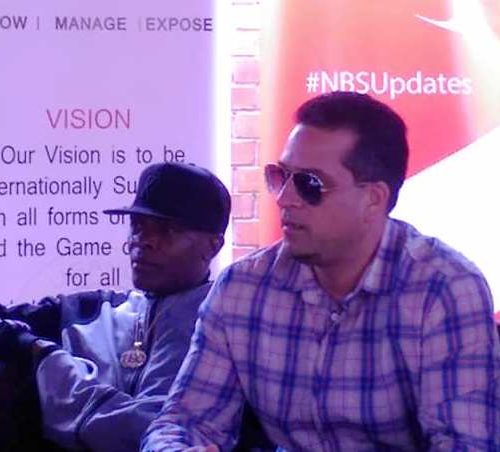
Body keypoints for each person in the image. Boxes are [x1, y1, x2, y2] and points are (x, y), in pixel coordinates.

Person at [142, 92, 500, 451]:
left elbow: (465, 443)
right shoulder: (243, 288)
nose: (284, 198)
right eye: (280, 176)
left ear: (373, 199)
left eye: (310, 184)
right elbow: (182, 422)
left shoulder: (443, 289)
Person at [0, 162, 231, 452]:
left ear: (213, 246)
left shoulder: (222, 330)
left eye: (166, 230)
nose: (143, 241)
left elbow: (145, 431)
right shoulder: (98, 310)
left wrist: (44, 358)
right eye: (137, 225)